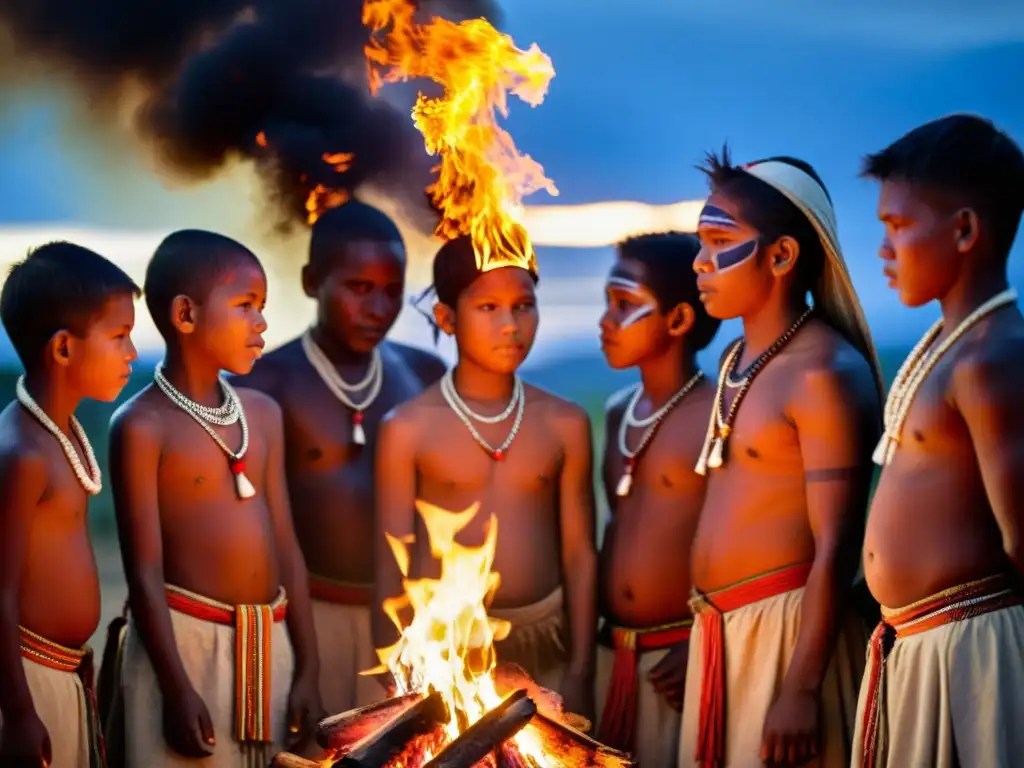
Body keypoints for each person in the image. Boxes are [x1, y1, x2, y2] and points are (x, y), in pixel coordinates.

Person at [679, 150, 884, 767]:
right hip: (720, 634)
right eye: (701, 241)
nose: (700, 261)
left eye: (720, 241)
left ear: (781, 256)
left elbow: (837, 548)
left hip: (791, 641)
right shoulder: (735, 359)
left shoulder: (822, 373)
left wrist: (799, 686)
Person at [108, 230, 321, 767]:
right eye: (246, 305)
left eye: (263, 307)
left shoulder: (263, 415)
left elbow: (290, 549)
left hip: (272, 646)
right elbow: (144, 574)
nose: (262, 323)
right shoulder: (141, 425)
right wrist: (176, 688)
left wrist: (308, 668)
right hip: (183, 652)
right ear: (185, 314)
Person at [853, 114, 1024, 767]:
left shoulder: (992, 356)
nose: (883, 249)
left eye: (897, 227)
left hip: (973, 656)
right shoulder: (949, 345)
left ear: (964, 231)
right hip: (921, 645)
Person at [372, 233, 597, 719]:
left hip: (546, 646)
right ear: (447, 318)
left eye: (523, 306)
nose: (510, 325)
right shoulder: (409, 427)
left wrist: (582, 669)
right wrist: (396, 681)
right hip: (446, 653)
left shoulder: (565, 423)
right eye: (488, 307)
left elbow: (579, 554)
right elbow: (392, 564)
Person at [236, 202, 446, 715]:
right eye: (359, 287)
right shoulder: (263, 384)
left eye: (393, 290)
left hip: (405, 618)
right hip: (305, 619)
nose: (378, 307)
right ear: (313, 281)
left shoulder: (424, 374)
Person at [0, 242, 138, 768]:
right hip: (26, 684)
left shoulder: (60, 433)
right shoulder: (23, 452)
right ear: (63, 348)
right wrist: (16, 712)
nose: (131, 352)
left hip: (62, 676)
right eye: (120, 336)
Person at [594, 232, 720, 764]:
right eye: (607, 303)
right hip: (612, 655)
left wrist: (704, 640)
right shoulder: (620, 410)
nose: (604, 320)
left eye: (624, 305)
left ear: (678, 320)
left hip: (680, 662)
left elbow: (737, 540)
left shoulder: (717, 415)